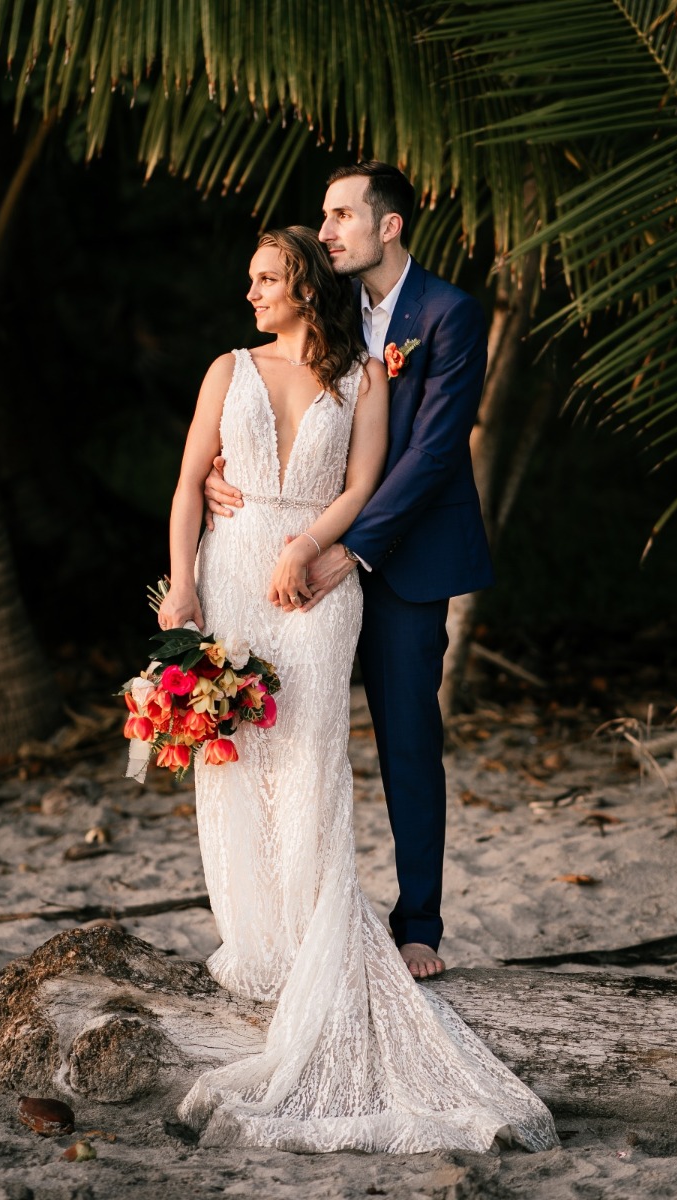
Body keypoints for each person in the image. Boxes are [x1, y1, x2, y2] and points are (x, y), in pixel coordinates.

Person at [158, 225, 557, 1153]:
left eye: (266, 278)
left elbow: (366, 480)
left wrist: (308, 545)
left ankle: (320, 937)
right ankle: (260, 938)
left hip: (319, 579)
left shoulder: (365, 376)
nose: (251, 291)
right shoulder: (228, 368)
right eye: (250, 277)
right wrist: (181, 580)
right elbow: (186, 485)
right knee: (236, 756)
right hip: (231, 573)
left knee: (308, 759)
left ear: (303, 286)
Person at [205, 162, 493, 981]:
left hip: (396, 555)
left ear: (389, 225)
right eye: (322, 219)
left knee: (407, 737)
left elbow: (435, 451)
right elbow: (279, 406)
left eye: (340, 216)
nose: (325, 230)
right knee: (292, 738)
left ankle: (420, 926)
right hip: (297, 552)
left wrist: (351, 548)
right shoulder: (325, 314)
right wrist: (228, 472)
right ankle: (289, 917)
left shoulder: (447, 315)